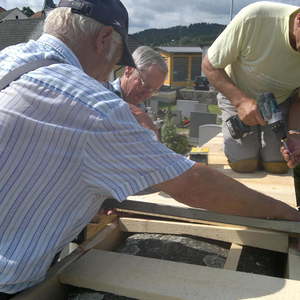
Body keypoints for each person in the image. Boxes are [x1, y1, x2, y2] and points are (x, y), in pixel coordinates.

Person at [0, 0, 299, 297]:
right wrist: (282, 212)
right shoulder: (94, 106)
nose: (111, 72)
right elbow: (192, 184)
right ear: (103, 39)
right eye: (118, 59)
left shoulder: (10, 59)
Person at [202, 1, 300, 175]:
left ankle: (267, 150)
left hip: (280, 102)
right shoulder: (256, 17)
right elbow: (210, 65)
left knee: (278, 166)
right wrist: (240, 102)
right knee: (244, 164)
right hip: (237, 91)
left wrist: (294, 134)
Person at [110, 45, 168, 139]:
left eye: (153, 90)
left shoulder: (141, 109)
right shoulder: (104, 98)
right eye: (145, 85)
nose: (147, 95)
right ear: (129, 70)